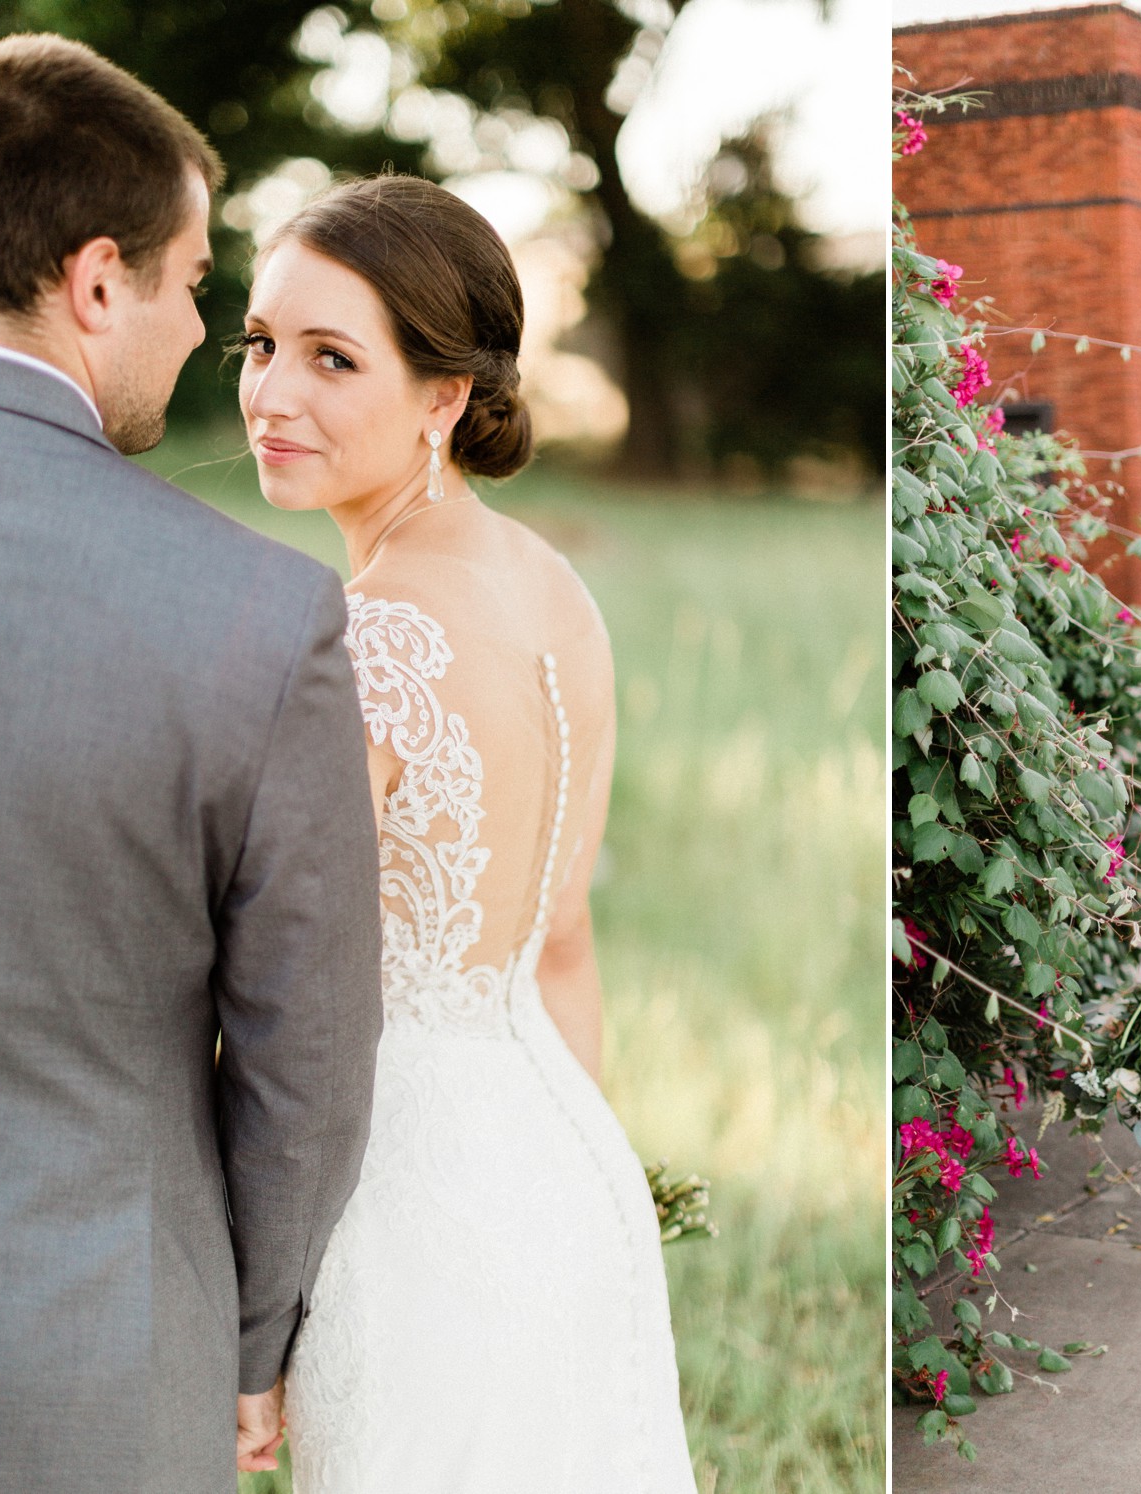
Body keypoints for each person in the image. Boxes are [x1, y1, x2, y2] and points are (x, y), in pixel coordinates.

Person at [0, 35, 383, 1491]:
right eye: (190, 283)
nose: (196, 330)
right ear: (97, 280)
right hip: (80, 1367)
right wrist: (249, 1343)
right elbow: (308, 1061)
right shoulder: (251, 613)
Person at [238, 175, 697, 1492]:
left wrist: (253, 1320)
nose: (273, 393)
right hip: (558, 1157)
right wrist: (578, 1198)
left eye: (333, 358)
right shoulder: (555, 590)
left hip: (398, 1194)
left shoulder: (368, 636)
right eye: (260, 345)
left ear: (445, 397)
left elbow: (291, 1007)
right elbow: (560, 941)